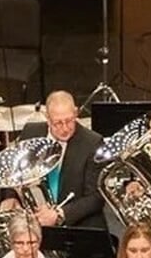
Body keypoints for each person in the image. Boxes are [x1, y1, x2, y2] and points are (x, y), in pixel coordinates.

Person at [16, 91, 105, 230]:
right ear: (47, 117)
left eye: (69, 121)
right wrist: (10, 198)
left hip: (76, 225)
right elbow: (14, 170)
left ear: (76, 113)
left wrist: (59, 215)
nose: (65, 128)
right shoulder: (31, 132)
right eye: (57, 123)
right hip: (33, 221)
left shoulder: (93, 142)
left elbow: (96, 197)